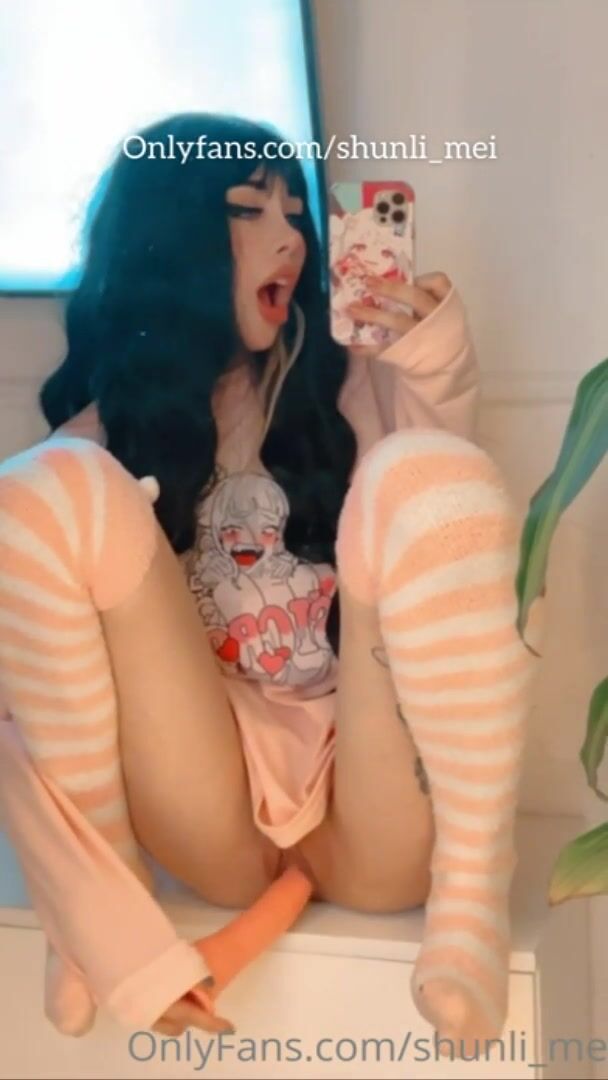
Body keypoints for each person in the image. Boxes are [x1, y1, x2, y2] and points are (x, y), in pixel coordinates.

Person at [0, 112, 534, 1047]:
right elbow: (24, 712)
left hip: (370, 802)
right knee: (41, 490)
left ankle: (473, 900)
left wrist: (431, 357)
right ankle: (103, 900)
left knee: (428, 472)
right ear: (171, 242)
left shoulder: (354, 384)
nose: (291, 235)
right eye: (250, 210)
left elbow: (449, 537)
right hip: (210, 806)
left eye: (296, 212)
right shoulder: (105, 434)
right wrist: (85, 915)